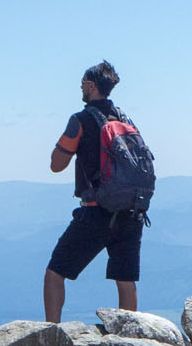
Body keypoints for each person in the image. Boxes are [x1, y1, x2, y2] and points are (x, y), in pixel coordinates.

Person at [44, 60, 143, 322]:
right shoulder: (126, 119)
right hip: (132, 211)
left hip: (96, 213)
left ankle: (51, 333)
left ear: (90, 86)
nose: (80, 88)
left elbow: (57, 165)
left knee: (55, 272)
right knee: (126, 280)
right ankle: (130, 339)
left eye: (82, 84)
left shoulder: (81, 120)